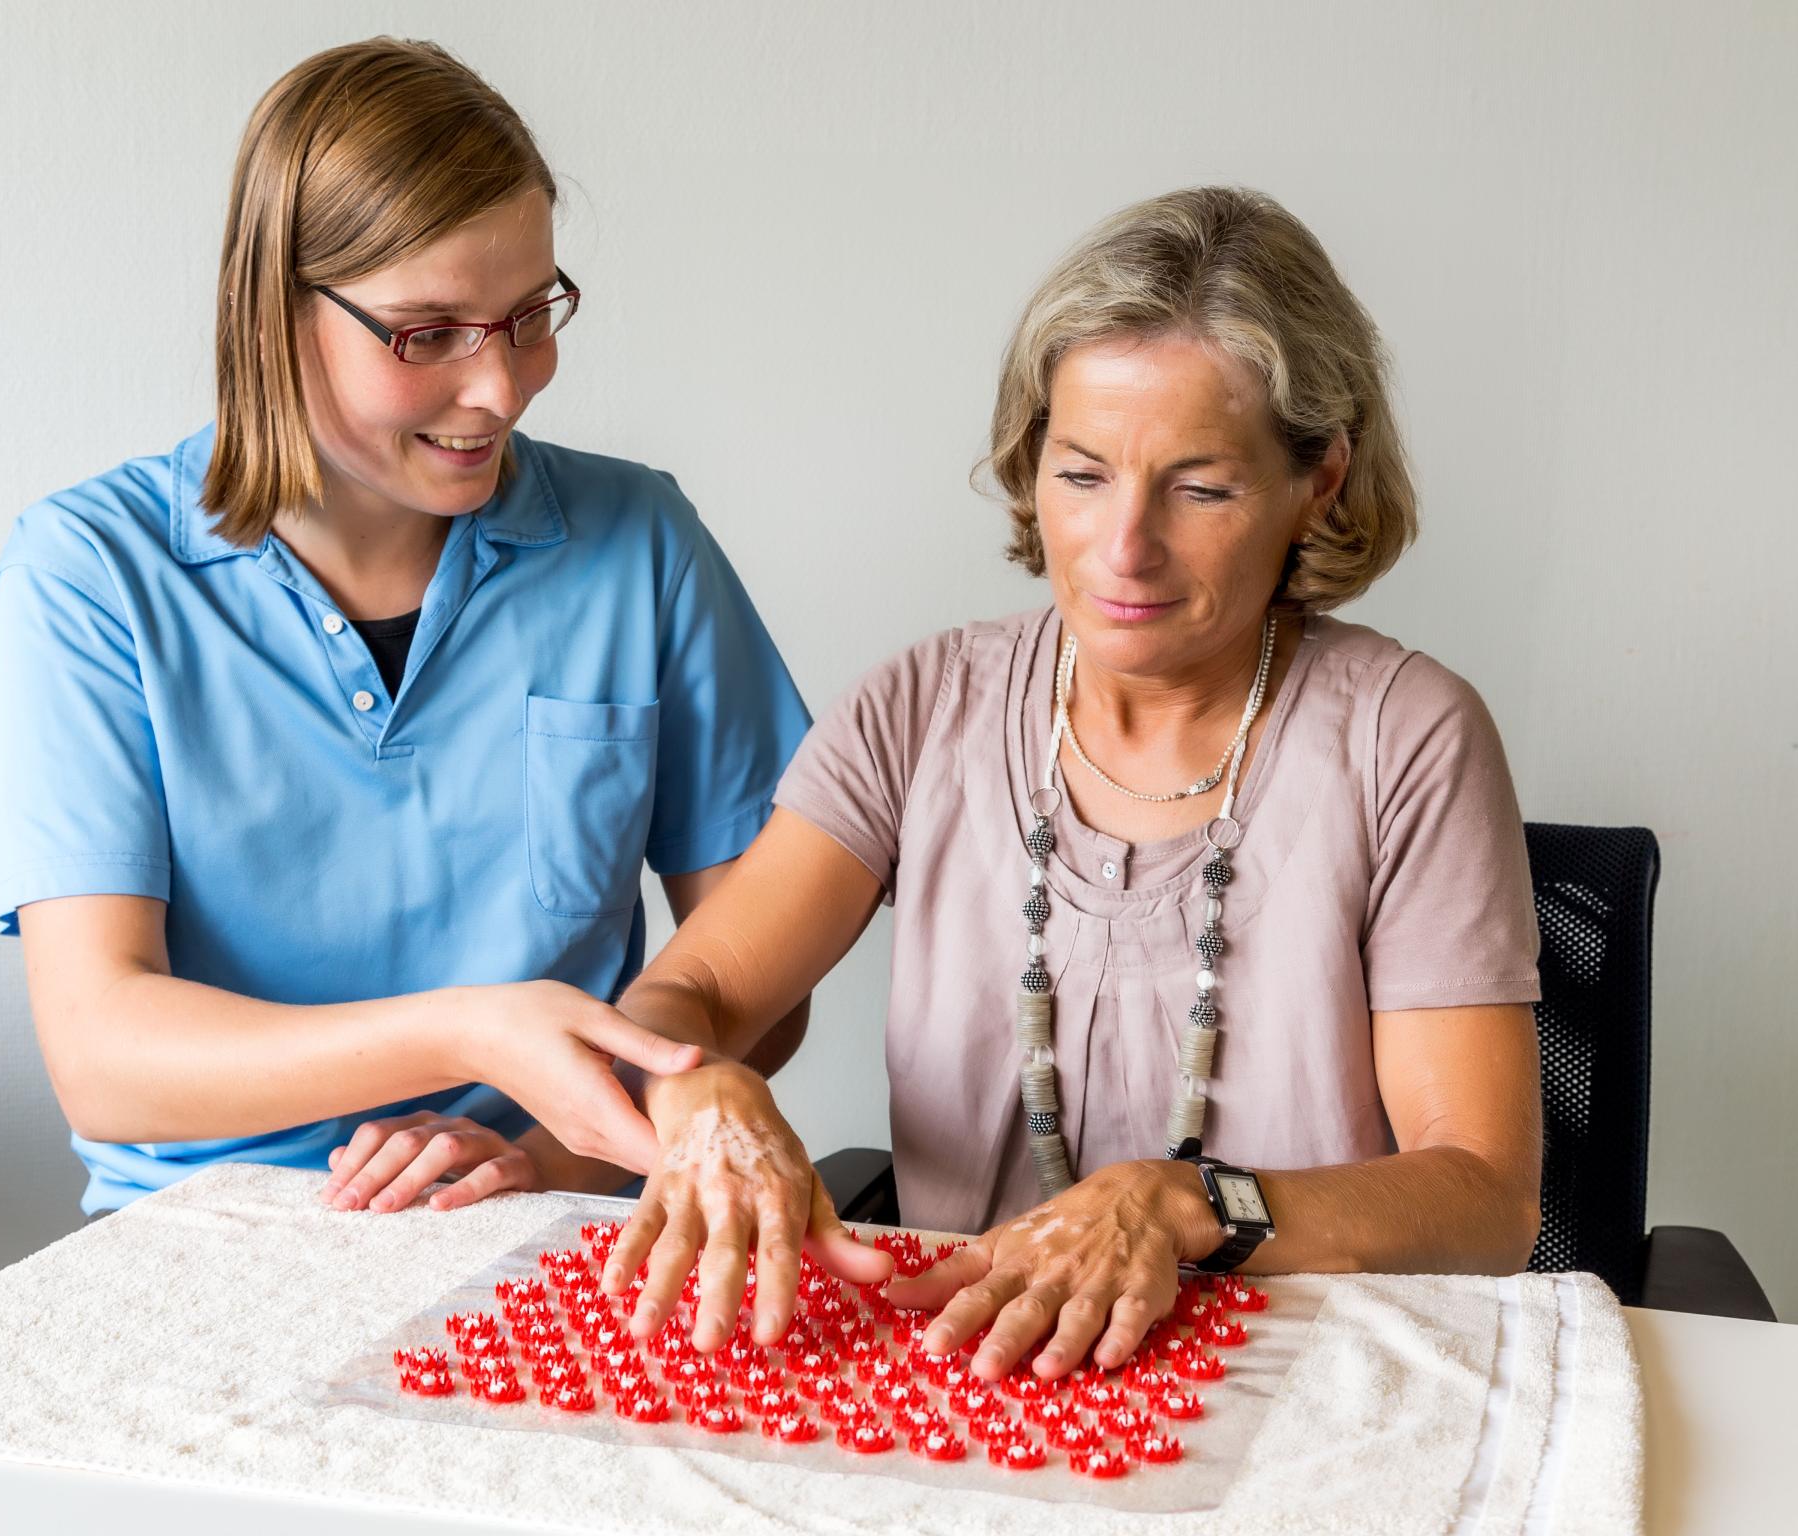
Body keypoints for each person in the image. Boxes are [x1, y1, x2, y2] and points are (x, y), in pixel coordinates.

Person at [594, 187, 1546, 1378]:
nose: (1122, 548)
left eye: (1200, 489)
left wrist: (1189, 1204)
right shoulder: (922, 704)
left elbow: (1485, 1201)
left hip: (1299, 1374)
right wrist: (706, 1093)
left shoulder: (1411, 738)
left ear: (1320, 480)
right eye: (1083, 474)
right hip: (967, 1373)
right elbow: (681, 1002)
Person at [0, 38, 810, 1218]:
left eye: (530, 315)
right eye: (428, 335)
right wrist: (473, 1033)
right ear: (277, 312)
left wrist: (551, 1156)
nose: (503, 388)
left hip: (548, 1212)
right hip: (212, 1232)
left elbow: (757, 983)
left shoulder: (640, 542)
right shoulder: (93, 573)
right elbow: (105, 1057)